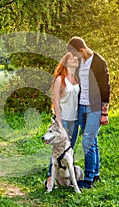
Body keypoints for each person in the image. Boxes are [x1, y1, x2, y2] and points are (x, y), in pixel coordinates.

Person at [67, 37, 110, 189]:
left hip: (95, 107)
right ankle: (96, 174)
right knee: (93, 141)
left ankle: (89, 178)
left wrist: (104, 113)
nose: (74, 58)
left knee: (87, 142)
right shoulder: (81, 63)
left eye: (75, 54)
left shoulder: (99, 62)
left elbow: (105, 88)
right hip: (82, 106)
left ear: (81, 50)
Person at [46, 52, 81, 188]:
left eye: (76, 58)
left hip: (75, 120)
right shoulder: (61, 79)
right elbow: (55, 100)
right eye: (71, 58)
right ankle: (50, 179)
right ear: (65, 62)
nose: (74, 59)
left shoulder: (77, 79)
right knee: (57, 149)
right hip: (63, 120)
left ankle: (67, 179)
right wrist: (59, 122)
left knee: (68, 150)